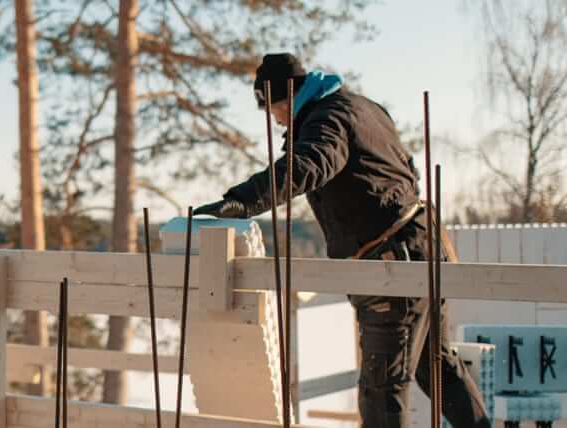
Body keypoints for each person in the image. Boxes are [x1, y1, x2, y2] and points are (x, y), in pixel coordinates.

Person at [194, 53, 490, 428]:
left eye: (273, 109)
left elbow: (310, 164)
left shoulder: (326, 120)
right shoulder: (365, 108)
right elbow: (405, 171)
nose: (276, 119)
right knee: (437, 366)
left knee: (382, 385)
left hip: (391, 264)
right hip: (423, 246)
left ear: (289, 96)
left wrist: (245, 199)